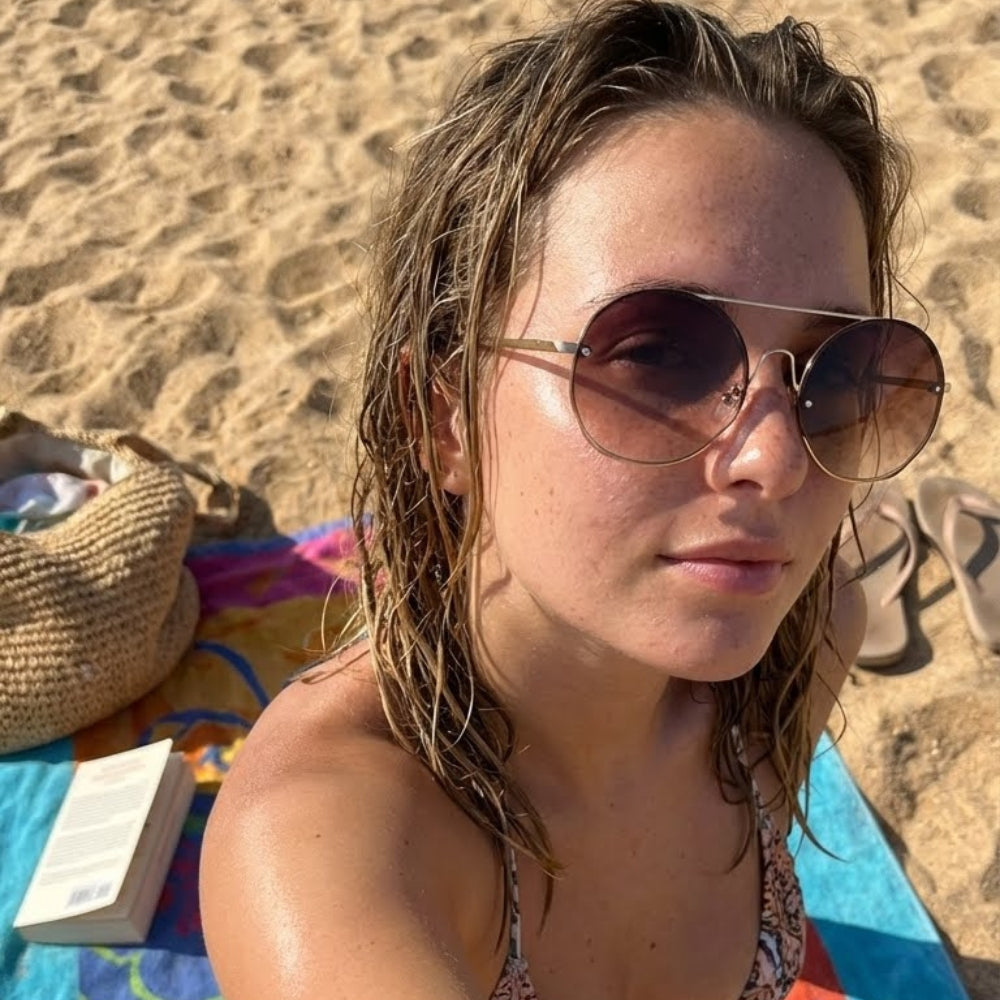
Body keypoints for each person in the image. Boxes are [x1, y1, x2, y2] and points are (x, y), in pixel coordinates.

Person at [200, 2, 946, 998]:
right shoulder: (335, 839)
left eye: (838, 368)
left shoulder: (802, 639)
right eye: (656, 353)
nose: (773, 458)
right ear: (443, 419)